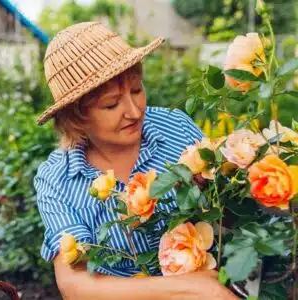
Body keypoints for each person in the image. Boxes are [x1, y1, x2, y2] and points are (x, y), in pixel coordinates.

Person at [34, 21, 237, 299]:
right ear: (76, 118)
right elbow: (76, 284)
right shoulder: (59, 179)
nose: (134, 111)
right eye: (111, 104)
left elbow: (232, 209)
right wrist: (192, 288)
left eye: (137, 90)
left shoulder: (173, 128)